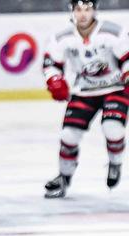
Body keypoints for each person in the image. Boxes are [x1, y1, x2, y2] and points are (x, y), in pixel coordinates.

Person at [42, 0, 129, 198]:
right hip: (84, 91)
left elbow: (127, 58)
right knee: (68, 136)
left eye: (87, 9)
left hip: (114, 89)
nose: (83, 14)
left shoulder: (113, 32)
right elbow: (51, 64)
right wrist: (54, 80)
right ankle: (64, 177)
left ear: (95, 11)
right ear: (72, 11)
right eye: (78, 9)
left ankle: (115, 163)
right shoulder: (62, 38)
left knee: (113, 129)